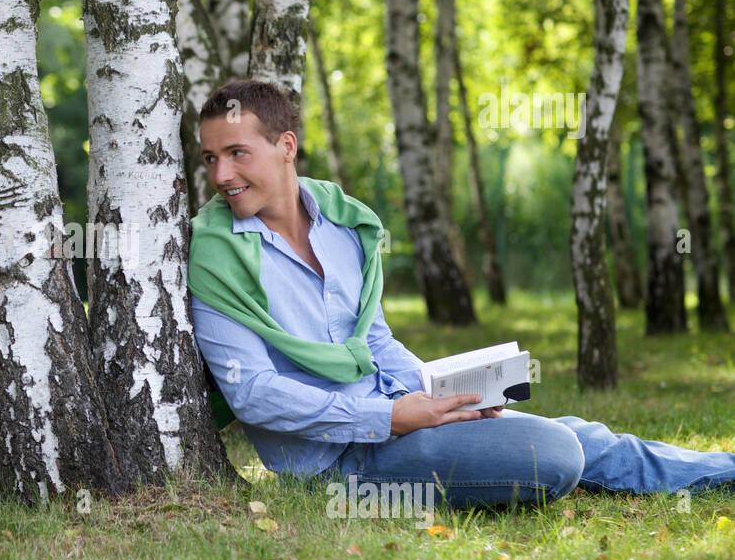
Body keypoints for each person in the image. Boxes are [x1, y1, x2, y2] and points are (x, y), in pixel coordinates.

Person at [189, 79, 735, 508]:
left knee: (580, 433)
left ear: (287, 146)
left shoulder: (339, 224)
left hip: (395, 418)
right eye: (211, 158)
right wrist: (389, 420)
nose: (221, 173)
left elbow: (374, 342)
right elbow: (253, 394)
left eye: (237, 153)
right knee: (556, 452)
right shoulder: (217, 255)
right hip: (337, 463)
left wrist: (445, 400)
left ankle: (723, 473)